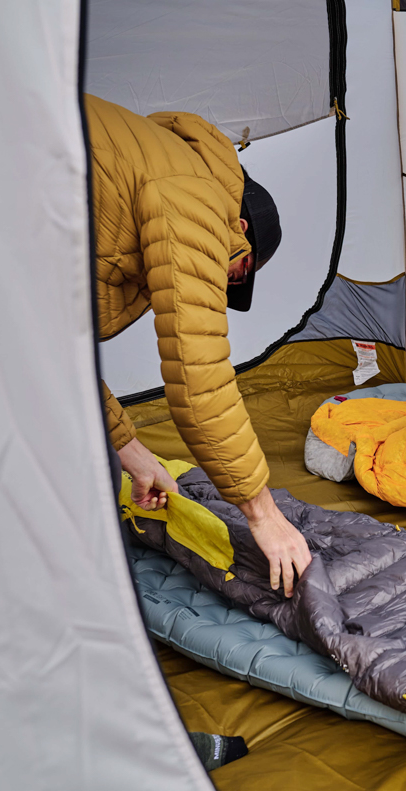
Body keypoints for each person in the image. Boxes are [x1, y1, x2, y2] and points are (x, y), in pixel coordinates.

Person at [87, 94, 311, 598]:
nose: (230, 281)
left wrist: (135, 455)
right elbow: (199, 379)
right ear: (241, 230)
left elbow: (50, 350)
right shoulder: (197, 198)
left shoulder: (148, 171)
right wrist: (264, 514)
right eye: (243, 270)